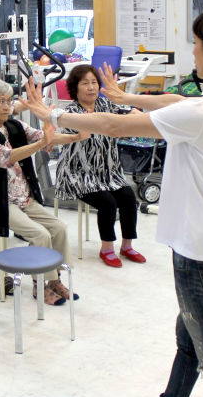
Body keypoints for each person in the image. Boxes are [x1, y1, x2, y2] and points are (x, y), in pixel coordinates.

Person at [20, 6, 203, 397]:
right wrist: (124, 96)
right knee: (189, 341)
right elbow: (175, 100)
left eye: (195, 44)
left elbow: (116, 128)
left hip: (201, 253)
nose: (192, 52)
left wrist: (53, 114)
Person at [0, 77, 80, 306]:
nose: (6, 106)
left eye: (8, 101)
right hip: (0, 202)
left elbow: (44, 137)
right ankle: (39, 285)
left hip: (25, 197)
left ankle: (54, 279)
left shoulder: (14, 125)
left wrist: (75, 137)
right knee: (40, 234)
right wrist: (42, 144)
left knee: (58, 228)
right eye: (0, 101)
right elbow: (8, 156)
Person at [54, 64, 145, 267]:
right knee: (108, 202)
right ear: (75, 88)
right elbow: (57, 138)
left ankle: (127, 245)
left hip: (108, 173)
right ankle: (107, 248)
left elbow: (130, 112)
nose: (91, 87)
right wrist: (77, 135)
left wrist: (145, 118)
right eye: (85, 83)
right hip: (77, 175)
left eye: (94, 82)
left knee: (129, 197)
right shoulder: (70, 112)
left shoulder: (107, 106)